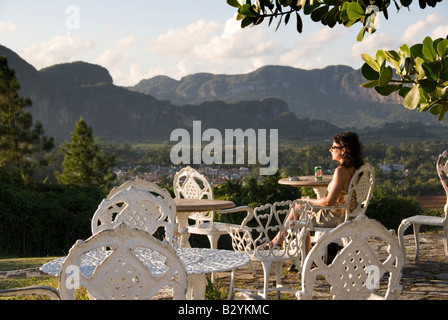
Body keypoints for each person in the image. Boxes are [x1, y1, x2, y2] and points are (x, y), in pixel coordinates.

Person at [269, 131, 364, 250]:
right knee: (300, 206)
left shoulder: (341, 171)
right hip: (350, 214)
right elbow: (343, 196)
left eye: (333, 147)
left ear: (343, 150)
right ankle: (279, 242)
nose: (330, 150)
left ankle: (289, 248)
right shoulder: (357, 170)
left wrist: (309, 202)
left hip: (335, 218)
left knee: (298, 207)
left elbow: (330, 202)